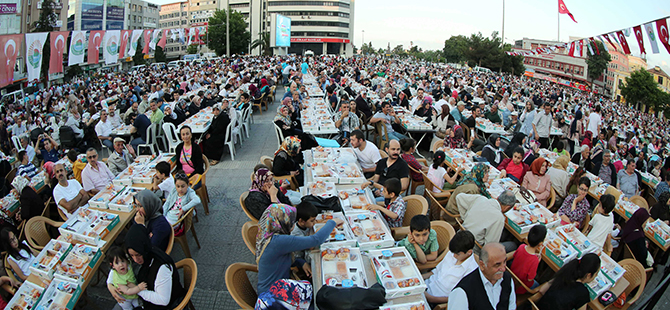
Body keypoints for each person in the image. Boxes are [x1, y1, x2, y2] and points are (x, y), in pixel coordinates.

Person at [256, 203, 340, 295]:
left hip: (276, 286)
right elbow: (316, 240)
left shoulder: (268, 236)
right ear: (283, 222)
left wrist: (301, 262)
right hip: (273, 295)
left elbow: (281, 259)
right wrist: (333, 222)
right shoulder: (278, 241)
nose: (293, 227)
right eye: (291, 222)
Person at [108, 224, 186, 309]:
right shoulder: (147, 254)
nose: (135, 260)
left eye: (138, 255)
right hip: (141, 297)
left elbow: (163, 300)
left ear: (144, 249)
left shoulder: (161, 268)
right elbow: (119, 266)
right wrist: (109, 284)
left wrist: (138, 290)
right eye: (132, 255)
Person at [448, 243, 516, 310]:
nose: (503, 269)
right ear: (482, 265)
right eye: (497, 265)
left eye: (504, 262)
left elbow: (512, 307)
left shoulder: (507, 279)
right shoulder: (462, 292)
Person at [423, 230, 478, 305]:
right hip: (426, 285)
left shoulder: (471, 271)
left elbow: (457, 297)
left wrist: (431, 299)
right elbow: (436, 271)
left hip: (435, 300)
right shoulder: (453, 253)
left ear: (469, 252)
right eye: (453, 252)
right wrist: (419, 278)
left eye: (457, 254)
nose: (454, 256)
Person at [536, 253, 601, 310]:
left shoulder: (565, 273)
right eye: (596, 273)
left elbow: (542, 290)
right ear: (588, 275)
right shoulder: (583, 293)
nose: (596, 276)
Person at [510, 225, 546, 294]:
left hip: (511, 276)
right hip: (520, 287)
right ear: (541, 243)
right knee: (537, 285)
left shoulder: (521, 246)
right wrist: (537, 262)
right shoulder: (534, 260)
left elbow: (515, 256)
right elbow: (530, 279)